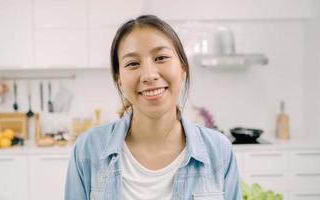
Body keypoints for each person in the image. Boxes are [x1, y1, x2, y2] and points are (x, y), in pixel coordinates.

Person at [65, 15, 241, 200]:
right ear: (120, 81)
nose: (149, 75)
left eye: (161, 57)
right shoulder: (87, 151)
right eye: (133, 63)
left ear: (183, 69)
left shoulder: (219, 151)